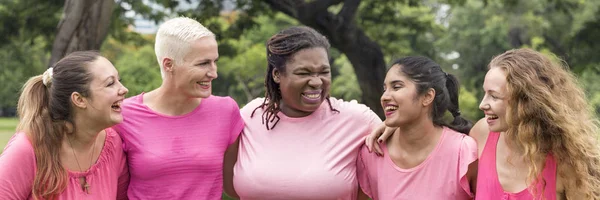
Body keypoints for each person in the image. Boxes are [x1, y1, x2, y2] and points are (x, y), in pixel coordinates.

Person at [225, 26, 381, 200]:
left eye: (324, 72)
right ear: (277, 75)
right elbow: (231, 186)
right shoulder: (250, 116)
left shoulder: (358, 120)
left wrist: (394, 128)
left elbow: (400, 166)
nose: (316, 82)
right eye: (303, 73)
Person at [112, 17, 244, 200]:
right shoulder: (123, 115)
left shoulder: (226, 111)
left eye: (214, 61)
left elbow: (237, 185)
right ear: (169, 65)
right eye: (203, 63)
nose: (214, 73)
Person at [470, 48, 600, 199]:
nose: (482, 104)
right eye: (485, 93)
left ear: (526, 101)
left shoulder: (568, 162)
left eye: (494, 96)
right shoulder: (480, 134)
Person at [0, 51, 129, 199]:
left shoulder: (113, 145)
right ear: (79, 99)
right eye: (110, 83)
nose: (124, 89)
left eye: (119, 80)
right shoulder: (27, 149)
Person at [356, 56, 477, 199]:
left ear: (427, 96)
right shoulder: (372, 152)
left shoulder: (463, 152)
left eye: (396, 87)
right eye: (385, 89)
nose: (384, 97)